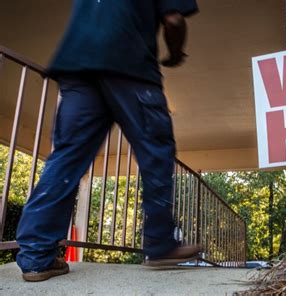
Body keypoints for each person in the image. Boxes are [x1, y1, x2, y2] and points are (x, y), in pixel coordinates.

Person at [15, 0, 200, 282]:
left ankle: (36, 256)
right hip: (130, 64)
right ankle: (161, 243)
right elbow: (174, 20)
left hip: (77, 65)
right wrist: (176, 53)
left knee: (67, 158)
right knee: (156, 152)